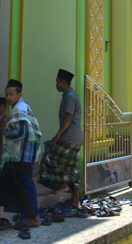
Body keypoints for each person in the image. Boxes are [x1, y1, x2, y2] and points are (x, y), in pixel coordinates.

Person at [0, 79, 44, 229]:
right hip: (22, 154)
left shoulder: (19, 110)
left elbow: (20, 132)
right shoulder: (23, 107)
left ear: (19, 94)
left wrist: (5, 131)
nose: (8, 97)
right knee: (19, 184)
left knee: (25, 185)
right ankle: (28, 214)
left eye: (11, 94)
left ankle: (34, 217)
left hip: (21, 155)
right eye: (6, 94)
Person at [39, 69, 83, 213]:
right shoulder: (69, 95)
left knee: (49, 157)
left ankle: (63, 183)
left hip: (69, 137)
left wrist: (58, 135)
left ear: (64, 83)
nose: (56, 85)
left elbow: (69, 118)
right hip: (75, 138)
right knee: (70, 168)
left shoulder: (70, 97)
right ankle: (75, 200)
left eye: (58, 82)